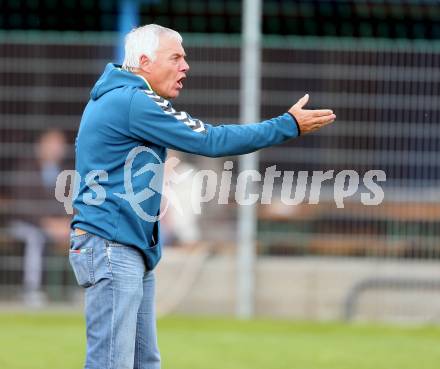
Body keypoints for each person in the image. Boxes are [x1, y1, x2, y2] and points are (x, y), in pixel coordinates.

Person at [69, 24, 335, 369]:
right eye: (176, 57)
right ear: (145, 61)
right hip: (112, 246)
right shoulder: (132, 100)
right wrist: (288, 124)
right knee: (111, 363)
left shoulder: (123, 96)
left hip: (126, 246)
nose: (185, 66)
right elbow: (210, 141)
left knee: (143, 362)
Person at [9, 129, 71, 306]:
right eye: (51, 144)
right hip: (26, 224)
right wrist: (46, 223)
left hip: (60, 225)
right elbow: (22, 204)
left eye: (59, 145)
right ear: (40, 145)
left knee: (83, 234)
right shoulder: (25, 168)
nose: (56, 149)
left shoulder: (67, 171)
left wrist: (67, 222)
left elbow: (75, 201)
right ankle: (32, 289)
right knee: (34, 237)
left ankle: (81, 289)